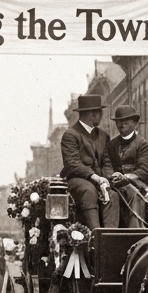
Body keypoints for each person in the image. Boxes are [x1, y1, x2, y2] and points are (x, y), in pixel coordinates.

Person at [59, 94, 119, 228]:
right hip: (78, 179)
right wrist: (95, 177)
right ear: (93, 114)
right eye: (100, 112)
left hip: (99, 179)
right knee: (89, 191)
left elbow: (107, 162)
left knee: (113, 195)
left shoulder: (103, 136)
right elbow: (72, 163)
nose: (101, 116)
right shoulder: (71, 134)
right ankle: (95, 235)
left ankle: (110, 237)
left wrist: (108, 179)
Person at [106, 104, 148, 227]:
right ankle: (109, 234)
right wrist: (112, 175)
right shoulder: (111, 145)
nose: (122, 125)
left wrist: (126, 177)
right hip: (114, 184)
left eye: (126, 121)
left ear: (135, 122)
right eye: (119, 122)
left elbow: (144, 171)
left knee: (134, 196)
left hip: (136, 185)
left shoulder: (142, 144)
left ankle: (135, 233)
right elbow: (106, 165)